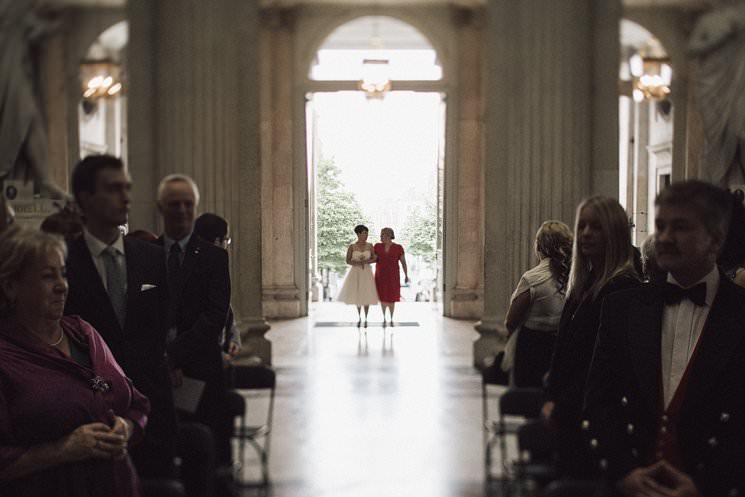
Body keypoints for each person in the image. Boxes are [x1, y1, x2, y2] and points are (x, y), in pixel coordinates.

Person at [584, 180, 745, 497]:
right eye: (661, 226)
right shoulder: (622, 308)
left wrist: (705, 486)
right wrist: (625, 473)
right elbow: (599, 402)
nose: (666, 238)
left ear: (715, 239)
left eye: (681, 227)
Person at [0, 226, 149, 497]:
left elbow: (136, 403)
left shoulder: (84, 333)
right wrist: (62, 450)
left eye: (63, 273)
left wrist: (125, 429)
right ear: (11, 286)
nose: (61, 286)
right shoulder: (6, 356)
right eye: (48, 277)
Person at [63, 155, 177, 481]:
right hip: (94, 416)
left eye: (127, 188)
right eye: (113, 189)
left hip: (153, 408)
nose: (125, 197)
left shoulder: (152, 257)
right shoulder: (64, 261)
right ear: (85, 197)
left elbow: (161, 327)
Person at [543, 196, 640, 477]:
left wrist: (559, 407)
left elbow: (600, 367)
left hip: (592, 420)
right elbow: (561, 351)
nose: (586, 233)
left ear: (615, 233)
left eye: (596, 227)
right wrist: (550, 397)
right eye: (582, 225)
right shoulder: (583, 286)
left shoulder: (622, 290)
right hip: (568, 417)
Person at [155, 175, 232, 478]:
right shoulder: (144, 254)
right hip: (157, 374)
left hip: (200, 370)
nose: (183, 210)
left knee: (206, 458)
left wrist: (173, 356)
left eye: (189, 204)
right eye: (175, 204)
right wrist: (161, 359)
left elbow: (214, 317)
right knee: (163, 456)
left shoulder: (215, 257)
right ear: (161, 208)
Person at [502, 220, 572, 388]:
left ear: (539, 246)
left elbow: (511, 320)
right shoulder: (576, 277)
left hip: (533, 347)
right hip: (565, 347)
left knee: (531, 398)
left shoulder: (532, 279)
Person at [193, 212, 242, 360]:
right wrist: (218, 356)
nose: (227, 246)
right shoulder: (195, 273)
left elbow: (226, 311)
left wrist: (234, 339)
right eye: (226, 240)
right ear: (216, 241)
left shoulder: (216, 269)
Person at [336, 224, 378, 327]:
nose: (366, 235)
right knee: (358, 293)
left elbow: (375, 258)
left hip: (367, 272)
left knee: (367, 293)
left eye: (367, 233)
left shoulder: (370, 245)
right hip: (355, 272)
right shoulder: (352, 247)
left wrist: (367, 261)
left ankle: (366, 318)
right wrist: (357, 263)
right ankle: (359, 317)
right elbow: (348, 260)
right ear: (358, 234)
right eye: (364, 233)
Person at [374, 227, 409, 325]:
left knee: (392, 297)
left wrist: (406, 275)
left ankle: (391, 318)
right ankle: (384, 318)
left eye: (382, 234)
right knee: (383, 296)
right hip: (380, 275)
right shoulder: (377, 246)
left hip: (393, 276)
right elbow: (373, 259)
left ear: (389, 235)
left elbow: (403, 263)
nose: (380, 236)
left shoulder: (398, 247)